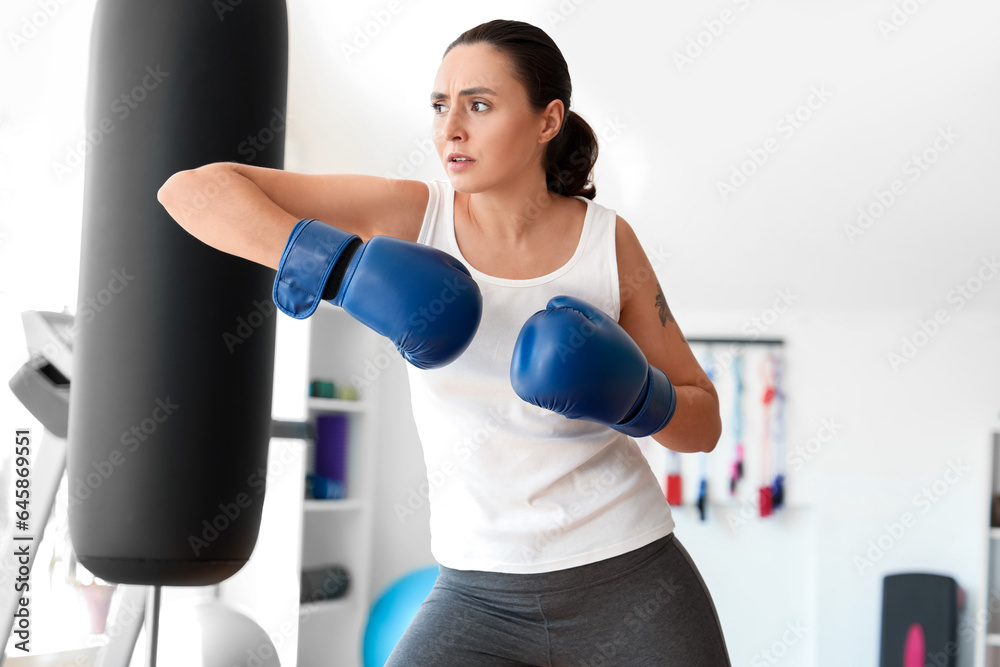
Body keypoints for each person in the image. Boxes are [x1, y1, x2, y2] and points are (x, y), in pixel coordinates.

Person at [158, 18, 731, 667]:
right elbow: (190, 191)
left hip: (629, 579)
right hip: (477, 597)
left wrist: (636, 396)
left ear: (548, 121)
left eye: (479, 104)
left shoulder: (607, 242)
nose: (449, 128)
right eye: (440, 105)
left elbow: (703, 422)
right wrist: (341, 270)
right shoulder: (413, 215)